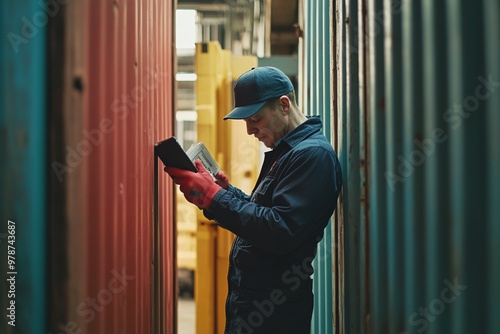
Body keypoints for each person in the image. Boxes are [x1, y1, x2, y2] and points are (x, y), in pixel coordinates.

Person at [165, 66, 342, 334]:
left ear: (284, 105)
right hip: (255, 307)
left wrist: (216, 198)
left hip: (275, 315)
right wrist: (225, 192)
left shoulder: (312, 156)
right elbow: (266, 213)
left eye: (255, 119)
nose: (250, 130)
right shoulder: (286, 152)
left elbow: (280, 230)